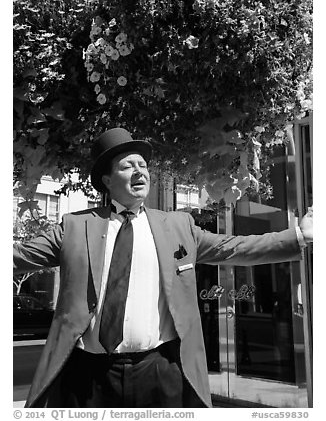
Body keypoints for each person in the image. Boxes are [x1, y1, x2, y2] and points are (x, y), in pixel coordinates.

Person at [13, 127, 313, 408]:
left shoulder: (178, 226)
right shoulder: (74, 227)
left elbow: (233, 246)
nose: (139, 171)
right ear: (107, 179)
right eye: (128, 165)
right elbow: (18, 256)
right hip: (87, 376)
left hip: (159, 369)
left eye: (142, 165)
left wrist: (298, 236)